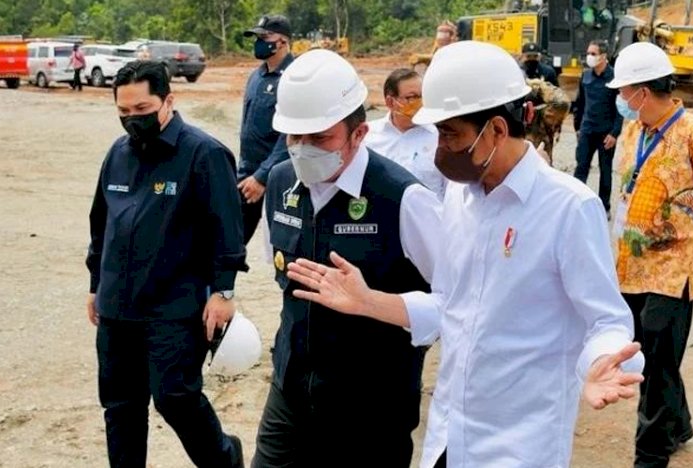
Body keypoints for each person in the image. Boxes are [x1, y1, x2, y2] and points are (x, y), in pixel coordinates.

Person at [283, 41, 646, 468]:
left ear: (495, 129)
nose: (439, 147)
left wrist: (602, 361)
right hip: (449, 436)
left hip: (519, 444)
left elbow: (605, 320)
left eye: (450, 133)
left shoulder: (568, 207)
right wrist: (367, 301)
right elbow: (449, 306)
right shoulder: (459, 199)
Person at [251, 49, 443, 467]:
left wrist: (370, 302)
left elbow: (456, 305)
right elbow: (278, 268)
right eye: (293, 137)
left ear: (359, 134)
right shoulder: (283, 182)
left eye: (319, 138)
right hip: (291, 392)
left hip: (372, 407)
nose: (302, 150)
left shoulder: (404, 199)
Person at [86, 61, 248, 468]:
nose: (132, 120)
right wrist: (95, 284)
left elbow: (227, 227)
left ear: (168, 101)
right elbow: (100, 223)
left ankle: (225, 459)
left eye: (142, 109)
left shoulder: (203, 153)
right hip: (117, 306)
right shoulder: (117, 154)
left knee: (175, 397)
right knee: (120, 406)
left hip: (173, 305)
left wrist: (224, 291)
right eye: (124, 112)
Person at [607, 42, 693, 468]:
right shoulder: (633, 130)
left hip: (673, 269)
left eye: (625, 91)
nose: (621, 99)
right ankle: (678, 426)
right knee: (650, 354)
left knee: (656, 368)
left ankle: (651, 453)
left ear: (644, 91)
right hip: (631, 265)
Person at [238, 15, 294, 244]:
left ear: (282, 41)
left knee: (284, 244)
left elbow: (290, 134)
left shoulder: (293, 77)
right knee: (230, 241)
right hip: (247, 174)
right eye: (256, 37)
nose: (258, 42)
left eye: (264, 37)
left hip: (280, 176)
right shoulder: (256, 76)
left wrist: (262, 177)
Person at [365, 68, 447, 200]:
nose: (420, 103)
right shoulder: (368, 137)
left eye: (422, 96)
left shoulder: (439, 137)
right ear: (390, 102)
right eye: (412, 97)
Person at [573, 39, 623, 219]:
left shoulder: (614, 78)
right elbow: (580, 103)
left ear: (603, 56)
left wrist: (615, 133)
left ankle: (604, 207)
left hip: (606, 133)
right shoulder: (585, 76)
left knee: (605, 170)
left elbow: (620, 108)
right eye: (588, 53)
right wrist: (577, 127)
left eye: (593, 54)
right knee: (581, 168)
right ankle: (576, 203)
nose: (589, 57)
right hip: (587, 130)